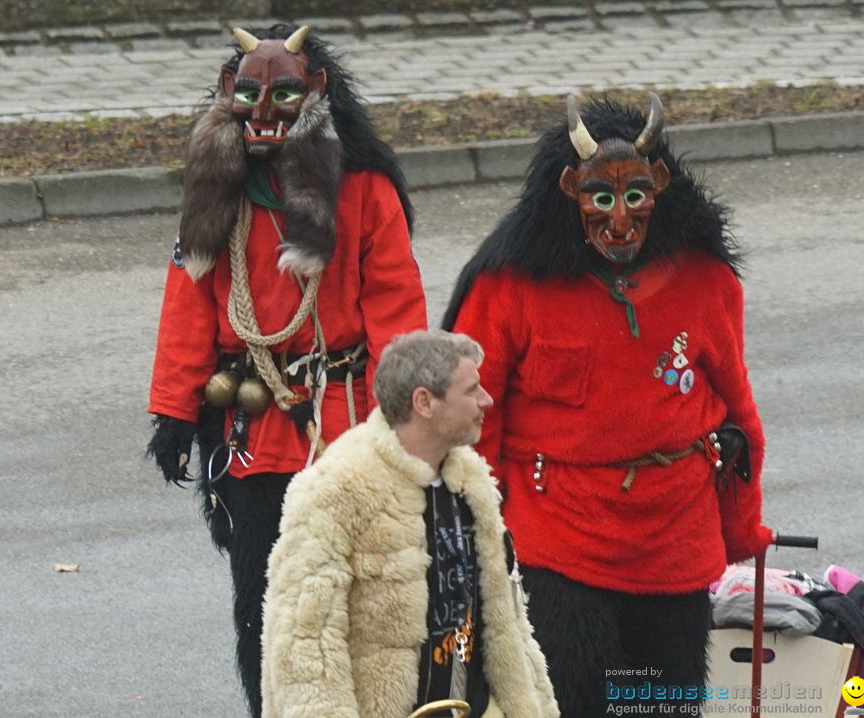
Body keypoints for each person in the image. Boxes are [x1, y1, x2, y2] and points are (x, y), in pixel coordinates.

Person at [442, 95, 773, 716]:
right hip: (556, 539)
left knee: (663, 707)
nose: (619, 221)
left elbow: (738, 413)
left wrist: (741, 532)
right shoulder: (507, 285)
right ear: (570, 190)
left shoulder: (706, 281)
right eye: (600, 199)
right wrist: (478, 543)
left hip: (675, 540)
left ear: (661, 188)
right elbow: (469, 424)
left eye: (635, 197)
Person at [146, 24, 427, 717]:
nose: (264, 112)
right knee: (266, 604)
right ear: (226, 92)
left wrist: (410, 423)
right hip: (255, 431)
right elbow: (189, 303)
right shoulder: (215, 190)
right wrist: (177, 413)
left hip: (349, 426)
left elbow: (396, 306)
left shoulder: (363, 191)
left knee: (364, 601)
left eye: (284, 94)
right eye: (248, 94)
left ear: (317, 92)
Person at [260, 330, 559, 718]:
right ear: (425, 402)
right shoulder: (335, 490)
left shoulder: (472, 480)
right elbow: (304, 645)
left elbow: (510, 625)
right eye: (471, 391)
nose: (487, 400)